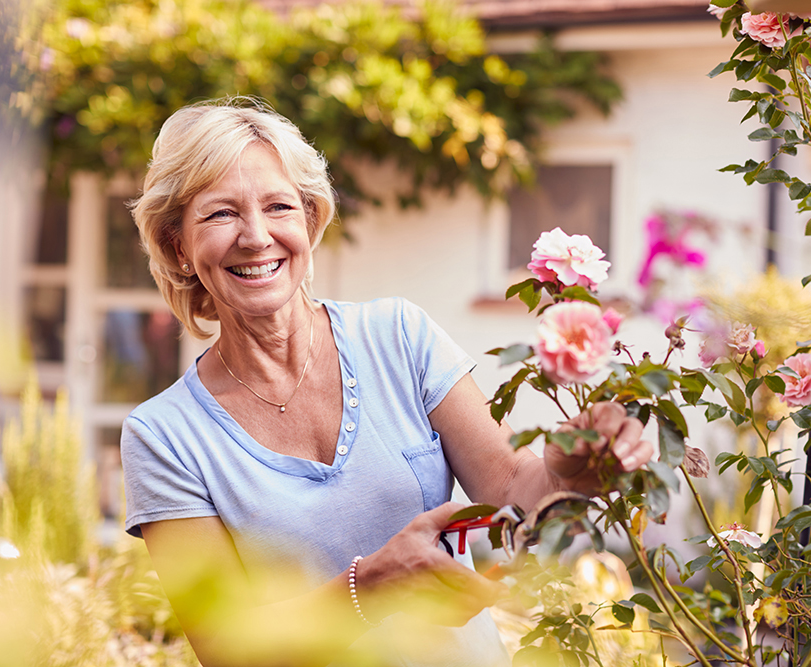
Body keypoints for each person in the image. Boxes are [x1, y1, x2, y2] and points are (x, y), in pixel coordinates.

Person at [122, 99, 654, 667]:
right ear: (178, 245)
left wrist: (567, 468)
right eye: (220, 214)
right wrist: (369, 586)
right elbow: (227, 648)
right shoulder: (164, 436)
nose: (256, 237)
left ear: (309, 218)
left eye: (278, 206)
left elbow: (511, 487)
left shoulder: (398, 336)